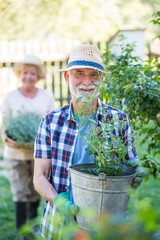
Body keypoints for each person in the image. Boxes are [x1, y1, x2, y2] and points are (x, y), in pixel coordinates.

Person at [33, 44, 146, 240]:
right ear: (67, 77)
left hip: (107, 225)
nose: (87, 81)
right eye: (79, 73)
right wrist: (58, 199)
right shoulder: (50, 122)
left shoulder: (119, 120)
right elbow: (39, 177)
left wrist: (134, 175)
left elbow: (130, 168)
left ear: (101, 80)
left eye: (94, 75)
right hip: (61, 225)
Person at [1, 54, 56, 240]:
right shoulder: (10, 97)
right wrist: (7, 138)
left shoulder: (47, 96)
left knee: (35, 191)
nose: (28, 77)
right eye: (25, 73)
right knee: (19, 191)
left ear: (38, 76)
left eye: (32, 73)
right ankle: (20, 230)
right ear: (20, 74)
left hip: (39, 155)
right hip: (15, 153)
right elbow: (5, 124)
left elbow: (51, 122)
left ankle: (31, 227)